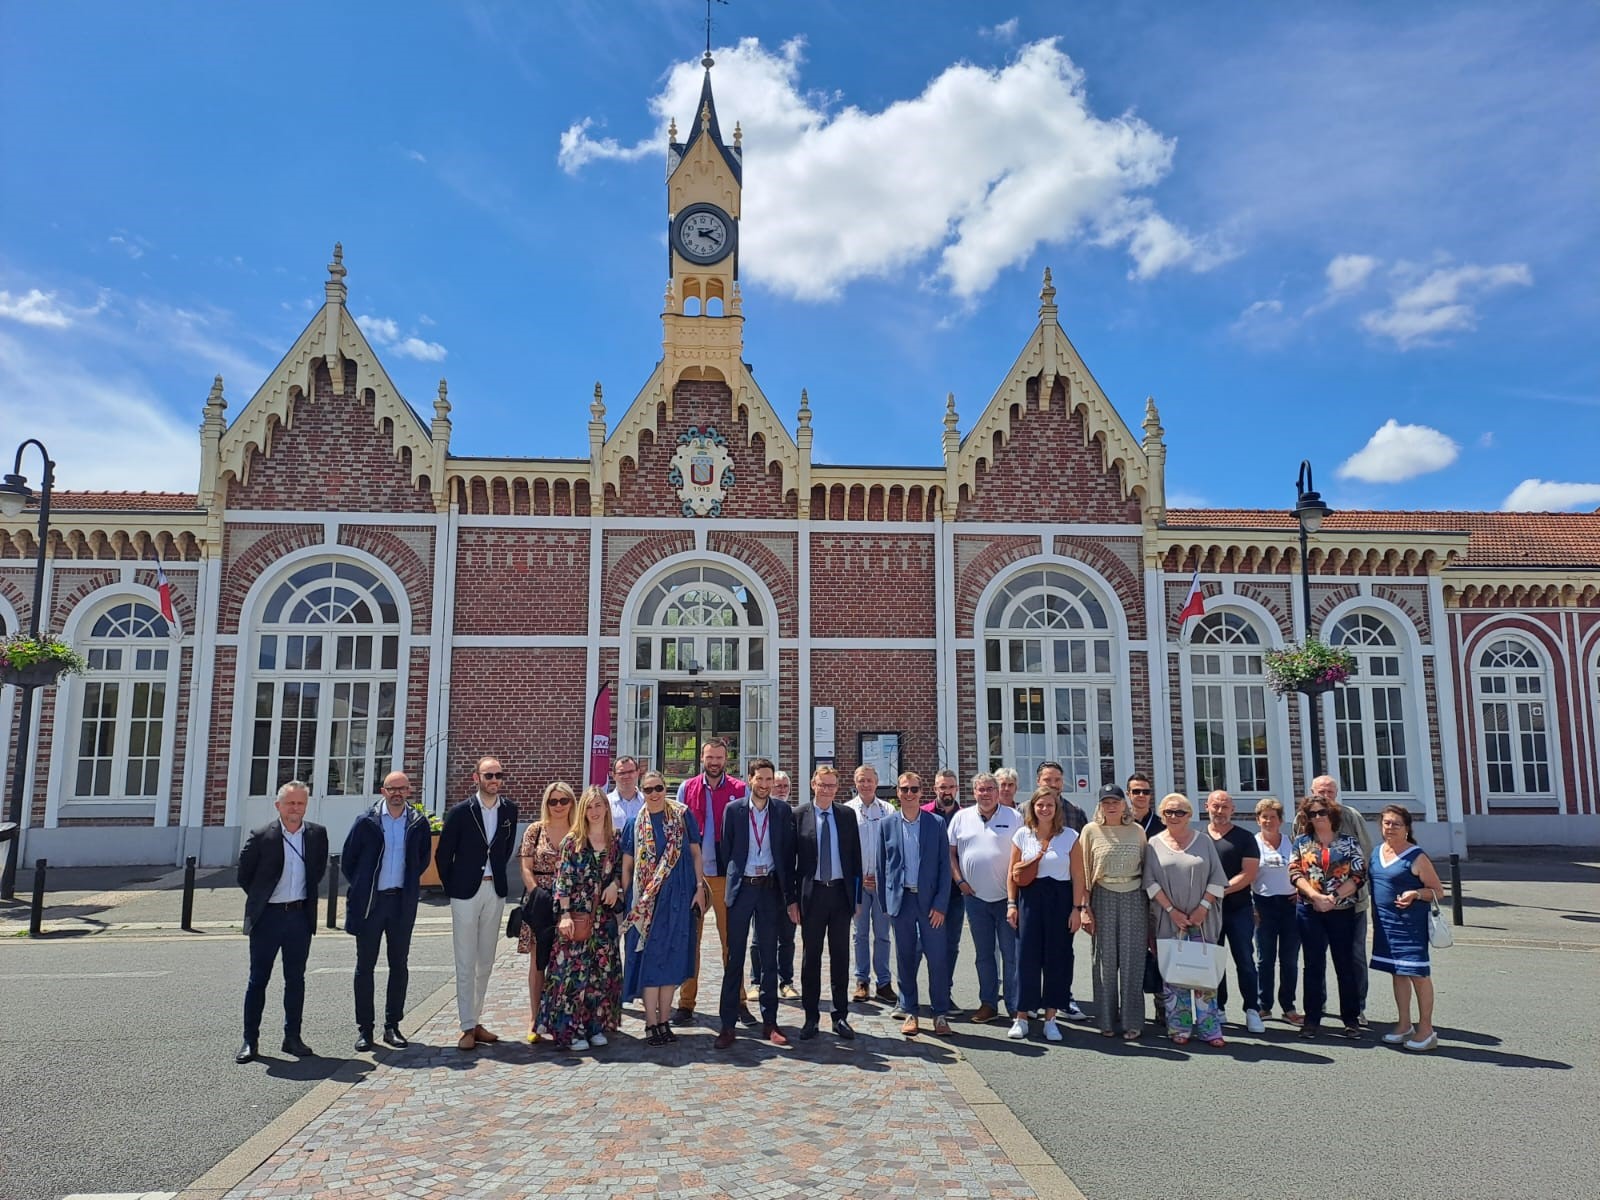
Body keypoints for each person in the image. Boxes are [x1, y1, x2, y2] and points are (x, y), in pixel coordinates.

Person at [237, 781, 329, 1063]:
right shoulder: (262, 835)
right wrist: (262, 901)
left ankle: (292, 1038)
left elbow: (317, 871)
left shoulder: (316, 835)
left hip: (299, 917)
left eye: (300, 803)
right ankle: (250, 1041)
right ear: (278, 806)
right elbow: (244, 876)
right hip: (268, 918)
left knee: (295, 980)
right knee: (258, 980)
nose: (295, 809)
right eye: (290, 803)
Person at [341, 770, 432, 1052]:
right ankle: (364, 1030)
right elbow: (348, 861)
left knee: (399, 965)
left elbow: (422, 860)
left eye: (402, 788)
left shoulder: (417, 823)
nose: (397, 793)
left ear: (409, 792)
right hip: (371, 903)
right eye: (392, 788)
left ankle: (392, 1025)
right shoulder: (366, 822)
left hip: (400, 903)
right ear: (382, 791)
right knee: (365, 967)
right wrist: (363, 886)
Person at [435, 755, 519, 1052]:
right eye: (488, 776)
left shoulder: (510, 810)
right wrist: (453, 886)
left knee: (486, 960)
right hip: (465, 893)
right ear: (476, 778)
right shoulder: (460, 812)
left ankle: (477, 1018)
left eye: (498, 775)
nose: (494, 780)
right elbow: (443, 855)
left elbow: (505, 849)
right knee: (465, 960)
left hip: (494, 890)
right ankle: (466, 1026)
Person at [622, 770, 708, 1046]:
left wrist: (698, 888)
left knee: (670, 960)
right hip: (646, 905)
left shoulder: (682, 817)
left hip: (679, 898)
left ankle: (664, 1020)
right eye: (648, 790)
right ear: (641, 791)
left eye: (658, 788)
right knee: (649, 961)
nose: (654, 793)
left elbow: (695, 853)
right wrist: (628, 901)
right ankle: (650, 1021)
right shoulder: (634, 824)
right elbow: (627, 865)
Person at [715, 758, 798, 1049]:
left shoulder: (782, 810)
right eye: (760, 779)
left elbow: (787, 855)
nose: (765, 785)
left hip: (769, 891)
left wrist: (789, 897)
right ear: (749, 779)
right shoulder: (734, 811)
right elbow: (726, 849)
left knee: (769, 959)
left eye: (769, 780)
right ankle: (727, 1025)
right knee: (734, 957)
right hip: (742, 889)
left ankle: (770, 1022)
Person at [540, 786, 623, 1051]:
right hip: (577, 916)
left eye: (599, 806)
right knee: (571, 976)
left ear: (606, 809)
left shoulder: (615, 841)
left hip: (604, 919)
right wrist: (564, 914)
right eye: (589, 806)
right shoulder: (573, 841)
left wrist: (616, 885)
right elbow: (562, 881)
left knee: (600, 974)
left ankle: (594, 1025)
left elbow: (621, 870)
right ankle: (569, 1030)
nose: (594, 811)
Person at [1144, 793, 1228, 1046]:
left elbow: (1218, 879)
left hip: (1203, 920)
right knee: (1175, 975)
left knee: (1204, 974)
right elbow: (1149, 882)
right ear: (1162, 815)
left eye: (1180, 812)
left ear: (1190, 815)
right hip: (1170, 920)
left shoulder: (1203, 842)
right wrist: (1172, 911)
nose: (1174, 816)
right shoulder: (1153, 844)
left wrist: (1203, 908)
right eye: (1169, 812)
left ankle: (1210, 1029)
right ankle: (1179, 1027)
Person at [675, 737, 745, 1025]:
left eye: (719, 757)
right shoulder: (686, 788)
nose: (714, 762)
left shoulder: (740, 789)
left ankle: (738, 1000)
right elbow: (677, 832)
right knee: (691, 941)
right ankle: (686, 1002)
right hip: (695, 878)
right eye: (709, 757)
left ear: (726, 759)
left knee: (732, 942)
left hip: (726, 877)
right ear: (701, 758)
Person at [879, 771, 954, 1036]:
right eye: (904, 790)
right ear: (897, 793)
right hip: (902, 902)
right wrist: (886, 904)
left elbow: (946, 868)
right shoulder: (887, 824)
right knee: (905, 957)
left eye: (913, 789)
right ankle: (910, 1010)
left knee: (937, 958)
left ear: (922, 792)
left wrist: (941, 905)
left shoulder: (936, 823)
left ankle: (940, 1013)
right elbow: (882, 867)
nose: (909, 794)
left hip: (930, 902)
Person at [1290, 793, 1367, 1040]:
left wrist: (1332, 898)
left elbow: (1358, 875)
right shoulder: (1302, 842)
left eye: (1321, 812)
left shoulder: (1348, 842)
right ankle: (1312, 1020)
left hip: (1341, 911)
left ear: (1331, 814)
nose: (1318, 818)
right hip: (1309, 910)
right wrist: (1315, 897)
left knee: (1344, 965)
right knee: (1313, 965)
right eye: (1312, 814)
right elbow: (1294, 872)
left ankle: (1351, 1019)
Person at [794, 765, 863, 1041]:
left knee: (840, 957)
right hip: (812, 896)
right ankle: (811, 1017)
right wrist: (792, 900)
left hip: (839, 894)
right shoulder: (799, 815)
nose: (827, 790)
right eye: (822, 785)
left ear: (837, 787)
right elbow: (791, 861)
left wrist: (856, 898)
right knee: (811, 958)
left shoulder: (846, 815)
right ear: (813, 784)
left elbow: (855, 859)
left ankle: (840, 1015)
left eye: (832, 785)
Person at [1006, 788, 1080, 1042]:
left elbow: (1078, 877)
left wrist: (1077, 909)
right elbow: (1012, 873)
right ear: (1032, 808)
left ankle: (1051, 1018)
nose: (1045, 809)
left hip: (1059, 900)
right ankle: (1022, 1016)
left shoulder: (1070, 836)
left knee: (1056, 959)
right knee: (1025, 957)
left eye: (1049, 805)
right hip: (1029, 899)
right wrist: (1011, 904)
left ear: (1056, 808)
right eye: (1040, 805)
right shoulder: (1022, 835)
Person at [946, 772, 1021, 1026]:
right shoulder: (961, 818)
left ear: (998, 792)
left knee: (1011, 954)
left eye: (991, 789)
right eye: (981, 790)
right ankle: (988, 1003)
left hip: (1007, 898)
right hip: (975, 899)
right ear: (973, 792)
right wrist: (960, 882)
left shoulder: (1015, 818)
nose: (986, 794)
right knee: (984, 954)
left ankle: (1014, 1005)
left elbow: (1024, 854)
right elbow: (950, 853)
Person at [1370, 805, 1444, 1052]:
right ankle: (1404, 1024)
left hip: (1410, 926)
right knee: (1397, 973)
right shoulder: (1377, 852)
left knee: (1418, 975)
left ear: (1407, 828)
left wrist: (1415, 893)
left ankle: (1426, 1029)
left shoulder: (1417, 856)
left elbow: (1438, 891)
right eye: (1386, 823)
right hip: (1386, 924)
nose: (1390, 828)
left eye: (1396, 824)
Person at [1077, 784, 1148, 1040]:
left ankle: (1132, 1021)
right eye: (1106, 802)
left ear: (1124, 803)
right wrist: (1084, 908)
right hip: (1103, 896)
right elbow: (1083, 872)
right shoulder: (1090, 831)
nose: (1111, 806)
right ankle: (1106, 1020)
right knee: (1105, 962)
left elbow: (1147, 866)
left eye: (1115, 801)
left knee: (1132, 961)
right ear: (1100, 805)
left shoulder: (1137, 831)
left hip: (1133, 896)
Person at [1313, 774, 1374, 1026]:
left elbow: (1366, 854)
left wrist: (1350, 891)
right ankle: (1319, 1004)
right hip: (1315, 902)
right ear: (1312, 792)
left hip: (1352, 902)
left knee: (1354, 956)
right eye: (1321, 792)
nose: (1325, 796)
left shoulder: (1351, 817)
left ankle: (1356, 1006)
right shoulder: (1304, 817)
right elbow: (1298, 854)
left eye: (1330, 792)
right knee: (1315, 957)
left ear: (1336, 793)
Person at [517, 780, 574, 1042]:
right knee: (538, 961)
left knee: (567, 960)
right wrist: (536, 892)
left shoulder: (578, 830)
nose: (559, 806)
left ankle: (562, 1016)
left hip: (570, 901)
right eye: (553, 801)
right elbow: (526, 866)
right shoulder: (535, 830)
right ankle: (534, 1017)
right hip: (540, 899)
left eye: (564, 800)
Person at [1204, 790, 1263, 1033]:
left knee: (1245, 960)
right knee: (1214, 962)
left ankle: (1252, 1009)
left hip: (1238, 909)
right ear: (1207, 807)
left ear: (1233, 809)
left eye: (1224, 807)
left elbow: (1248, 873)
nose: (1220, 811)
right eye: (1215, 806)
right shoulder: (1199, 839)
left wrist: (1219, 891)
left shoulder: (1246, 838)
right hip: (1208, 911)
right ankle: (1218, 1007)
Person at [1034, 761, 1088, 1018]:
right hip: (1033, 891)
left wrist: (1081, 903)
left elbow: (1083, 860)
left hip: (1065, 892)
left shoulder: (1076, 813)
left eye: (1057, 780)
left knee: (1063, 949)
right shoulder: (1026, 811)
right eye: (1047, 780)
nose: (1052, 784)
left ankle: (1064, 998)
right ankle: (1034, 1001)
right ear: (1038, 782)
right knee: (1034, 949)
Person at [846, 764, 896, 1003]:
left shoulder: (888, 810)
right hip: (858, 881)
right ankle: (861, 980)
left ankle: (884, 982)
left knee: (883, 934)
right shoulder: (846, 811)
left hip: (882, 882)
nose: (865, 784)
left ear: (877, 783)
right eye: (861, 780)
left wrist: (880, 875)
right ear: (855, 783)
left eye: (869, 780)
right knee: (860, 933)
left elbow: (893, 848)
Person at [1251, 797, 1302, 1025]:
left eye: (1273, 817)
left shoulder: (1292, 843)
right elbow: (1248, 876)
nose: (1268, 821)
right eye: (1264, 817)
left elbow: (1306, 871)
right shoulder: (1253, 844)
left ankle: (1288, 1006)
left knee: (1289, 959)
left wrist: (1303, 893)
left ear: (1280, 820)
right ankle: (1264, 1005)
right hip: (1263, 905)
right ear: (1258, 819)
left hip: (1290, 906)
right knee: (1265, 958)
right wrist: (1252, 906)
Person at [749, 769, 799, 1002]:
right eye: (776, 785)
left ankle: (786, 981)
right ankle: (756, 981)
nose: (780, 789)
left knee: (787, 936)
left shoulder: (793, 814)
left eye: (784, 786)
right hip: (762, 884)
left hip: (787, 884)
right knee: (759, 937)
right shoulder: (759, 812)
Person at [924, 768, 965, 1010]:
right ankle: (911, 997)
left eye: (950, 787)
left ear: (956, 789)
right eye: (942, 787)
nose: (946, 791)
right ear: (935, 788)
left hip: (956, 893)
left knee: (951, 945)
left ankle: (944, 993)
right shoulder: (924, 813)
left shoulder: (965, 816)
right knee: (923, 945)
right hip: (928, 893)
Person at [607, 756, 645, 829]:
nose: (627, 776)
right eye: (621, 773)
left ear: (638, 772)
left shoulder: (646, 802)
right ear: (614, 775)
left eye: (631, 771)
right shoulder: (605, 803)